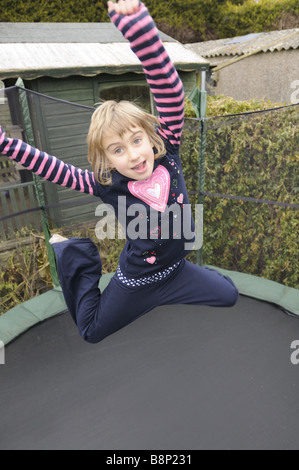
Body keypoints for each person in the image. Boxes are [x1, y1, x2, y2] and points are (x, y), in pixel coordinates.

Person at [0, 0, 238, 343]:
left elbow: (169, 91)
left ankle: (193, 278)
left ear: (150, 136)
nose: (134, 155)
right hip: (138, 281)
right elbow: (51, 167)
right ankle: (73, 253)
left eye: (136, 140)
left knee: (230, 296)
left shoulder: (168, 149)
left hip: (178, 271)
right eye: (118, 150)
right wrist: (6, 145)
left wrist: (139, 30)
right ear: (108, 161)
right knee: (92, 332)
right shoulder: (106, 184)